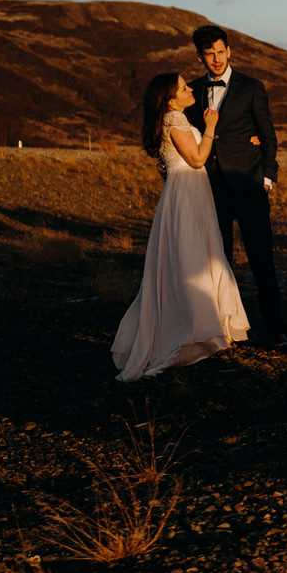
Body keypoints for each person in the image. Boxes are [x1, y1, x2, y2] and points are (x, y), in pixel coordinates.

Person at [111, 74, 250, 380]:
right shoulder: (174, 119)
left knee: (195, 254)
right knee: (193, 256)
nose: (190, 90)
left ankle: (208, 327)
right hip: (187, 193)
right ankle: (195, 329)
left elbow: (175, 162)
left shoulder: (173, 118)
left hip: (186, 190)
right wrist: (211, 127)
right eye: (184, 87)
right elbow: (198, 159)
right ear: (170, 98)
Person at [185, 24, 286, 345]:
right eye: (208, 54)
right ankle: (222, 330)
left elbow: (269, 137)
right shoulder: (191, 90)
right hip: (210, 190)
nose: (215, 59)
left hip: (250, 186)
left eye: (220, 51)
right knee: (217, 263)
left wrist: (267, 178)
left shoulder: (252, 87)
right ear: (200, 57)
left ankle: (275, 330)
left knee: (262, 262)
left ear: (229, 51)